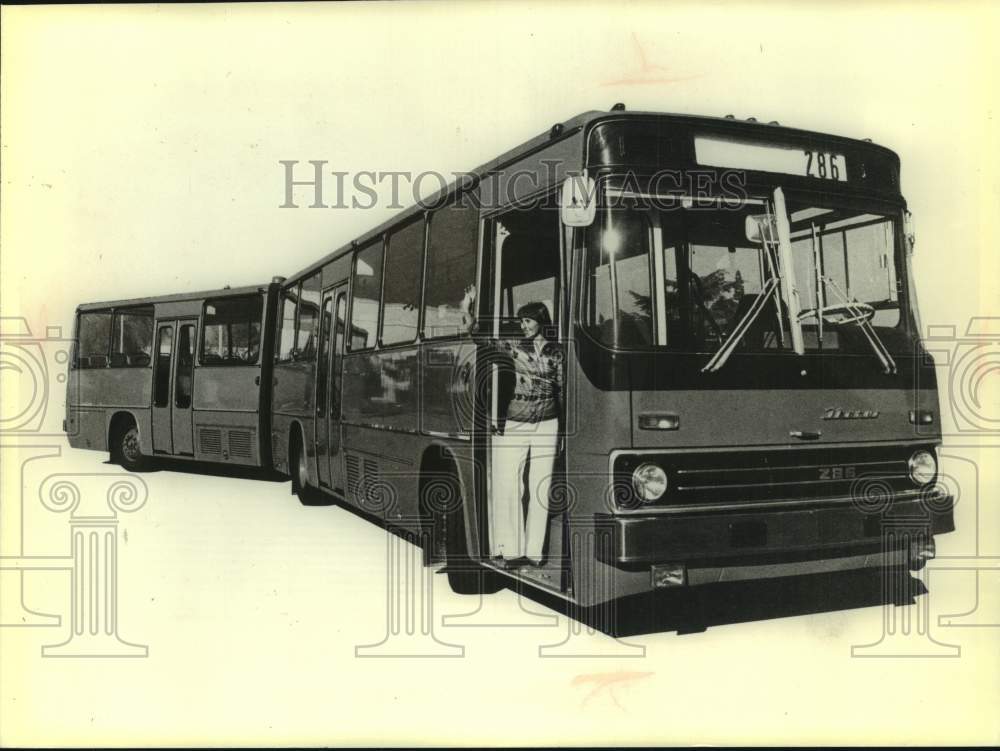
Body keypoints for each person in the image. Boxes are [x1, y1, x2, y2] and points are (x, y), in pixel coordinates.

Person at [461, 285, 563, 568]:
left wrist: (563, 430)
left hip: (548, 422)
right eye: (521, 321)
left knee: (540, 486)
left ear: (541, 321)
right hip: (515, 421)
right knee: (508, 484)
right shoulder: (514, 348)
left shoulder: (558, 353)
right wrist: (466, 306)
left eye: (528, 320)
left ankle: (534, 553)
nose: (523, 325)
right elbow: (479, 337)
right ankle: (510, 551)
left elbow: (563, 391)